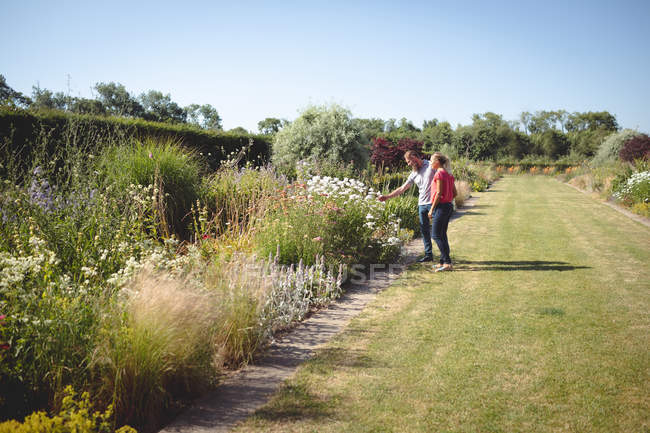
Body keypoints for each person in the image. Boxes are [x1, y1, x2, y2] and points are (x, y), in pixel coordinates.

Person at [378, 150, 435, 262]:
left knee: (438, 231)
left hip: (433, 203)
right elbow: (402, 188)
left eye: (409, 161)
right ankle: (429, 255)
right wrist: (387, 197)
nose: (408, 164)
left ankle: (445, 258)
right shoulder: (414, 173)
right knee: (424, 230)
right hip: (422, 204)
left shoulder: (431, 165)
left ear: (414, 157)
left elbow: (443, 177)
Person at [427, 152, 457, 272]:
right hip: (448, 206)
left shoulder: (439, 174)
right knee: (442, 235)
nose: (430, 163)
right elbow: (455, 193)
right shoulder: (449, 174)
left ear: (437, 162)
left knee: (435, 235)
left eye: (431, 161)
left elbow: (438, 193)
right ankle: (443, 262)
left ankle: (447, 263)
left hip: (440, 207)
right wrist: (448, 200)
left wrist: (431, 209)